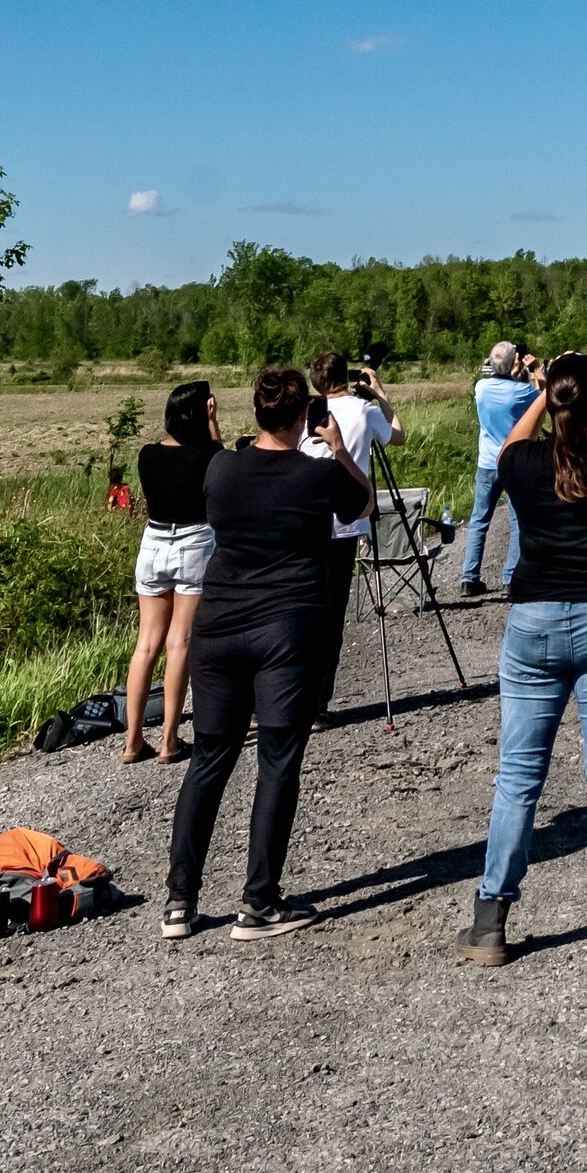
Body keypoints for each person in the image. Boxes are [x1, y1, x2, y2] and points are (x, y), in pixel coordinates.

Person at [454, 349, 587, 969]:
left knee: (519, 776)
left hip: (534, 624)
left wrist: (540, 392)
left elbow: (505, 452)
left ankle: (491, 919)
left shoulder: (523, 462)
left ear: (552, 399)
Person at [161, 366, 372, 941]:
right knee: (277, 760)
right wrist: (337, 450)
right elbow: (363, 505)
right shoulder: (316, 475)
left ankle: (179, 902)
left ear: (255, 413)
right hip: (288, 627)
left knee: (209, 759)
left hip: (219, 626)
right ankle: (258, 904)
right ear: (306, 415)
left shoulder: (221, 469)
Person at [300, 352, 404, 724]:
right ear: (348, 377)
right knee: (332, 614)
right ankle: (317, 705)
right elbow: (399, 437)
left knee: (299, 610)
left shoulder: (306, 414)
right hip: (348, 520)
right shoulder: (364, 411)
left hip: (305, 519)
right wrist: (380, 394)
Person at [125, 380, 221, 765]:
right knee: (179, 642)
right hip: (194, 543)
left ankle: (133, 742)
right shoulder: (208, 456)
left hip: (153, 543)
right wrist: (214, 424)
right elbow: (220, 459)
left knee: (146, 644)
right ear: (202, 414)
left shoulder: (147, 455)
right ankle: (169, 741)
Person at [458, 343, 539, 597]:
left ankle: (469, 578)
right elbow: (545, 398)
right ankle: (509, 578)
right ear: (515, 362)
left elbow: (499, 380)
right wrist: (535, 370)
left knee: (479, 521)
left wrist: (511, 368)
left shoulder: (481, 388)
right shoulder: (521, 392)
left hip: (486, 462)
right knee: (517, 522)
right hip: (512, 462)